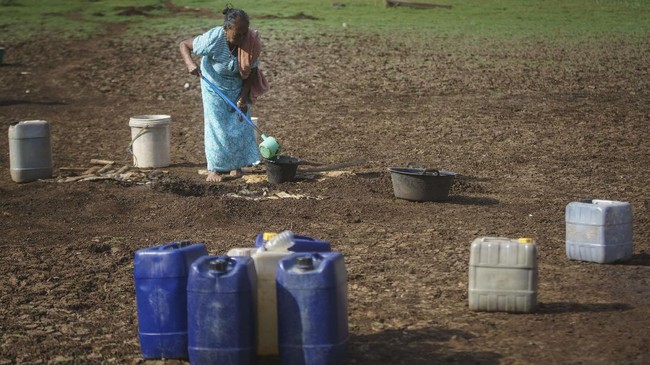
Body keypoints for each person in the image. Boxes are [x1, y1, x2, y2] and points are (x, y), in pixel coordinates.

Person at [179, 5, 269, 182]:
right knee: (217, 127)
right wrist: (190, 64)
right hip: (213, 85)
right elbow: (184, 45)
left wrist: (243, 97)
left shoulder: (251, 40)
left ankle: (237, 166)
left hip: (237, 85)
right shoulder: (212, 38)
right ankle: (216, 169)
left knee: (240, 125)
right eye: (237, 34)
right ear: (226, 29)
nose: (241, 38)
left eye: (244, 33)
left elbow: (251, 71)